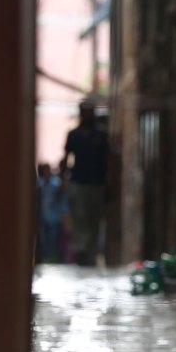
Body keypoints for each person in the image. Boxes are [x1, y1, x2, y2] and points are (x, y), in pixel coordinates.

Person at [63, 99, 108, 266]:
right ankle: (80, 251)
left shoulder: (101, 135)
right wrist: (63, 180)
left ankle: (90, 251)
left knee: (93, 218)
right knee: (79, 216)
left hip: (96, 183)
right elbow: (66, 157)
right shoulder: (73, 135)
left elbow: (109, 160)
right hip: (78, 182)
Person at [36, 163, 67, 263]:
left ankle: (52, 259)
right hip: (42, 217)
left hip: (54, 217)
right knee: (43, 239)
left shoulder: (56, 184)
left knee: (53, 239)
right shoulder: (39, 184)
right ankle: (44, 258)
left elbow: (61, 200)